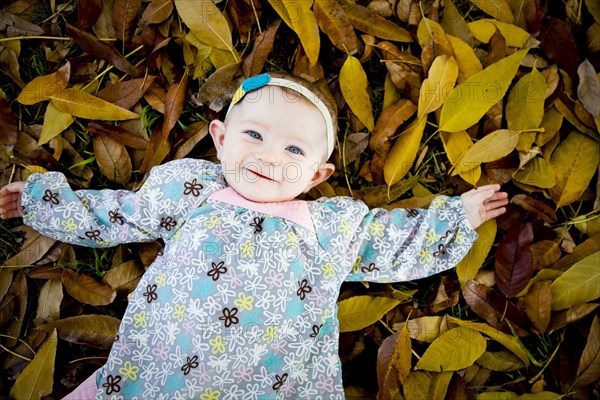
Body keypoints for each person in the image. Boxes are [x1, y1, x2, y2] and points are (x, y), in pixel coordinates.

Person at [0, 73, 508, 399]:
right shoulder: (193, 192)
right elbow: (118, 213)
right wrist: (41, 202)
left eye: (293, 151)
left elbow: (393, 243)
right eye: (255, 135)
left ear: (316, 177)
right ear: (220, 139)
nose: (269, 156)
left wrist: (457, 216)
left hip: (272, 383)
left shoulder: (328, 228)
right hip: (158, 375)